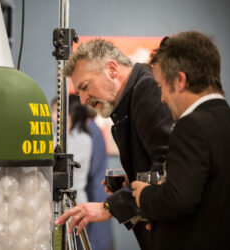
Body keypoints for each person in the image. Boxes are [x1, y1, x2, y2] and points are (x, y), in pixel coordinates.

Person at [131, 31, 230, 250]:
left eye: (160, 87)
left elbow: (178, 198)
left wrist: (145, 195)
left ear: (179, 80)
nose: (162, 98)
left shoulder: (191, 127)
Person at [55, 39, 173, 249]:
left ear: (112, 69)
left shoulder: (146, 89)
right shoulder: (133, 98)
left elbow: (169, 167)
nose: (83, 101)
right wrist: (132, 181)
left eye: (85, 87)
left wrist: (108, 207)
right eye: (79, 93)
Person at [51, 95, 92, 204]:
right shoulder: (56, 137)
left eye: (56, 111)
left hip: (75, 200)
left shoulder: (83, 139)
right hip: (58, 199)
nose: (53, 116)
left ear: (70, 115)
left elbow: (60, 164)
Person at [85, 106, 113, 250]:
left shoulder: (90, 130)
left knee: (96, 242)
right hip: (96, 190)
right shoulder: (93, 128)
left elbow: (90, 167)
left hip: (96, 192)